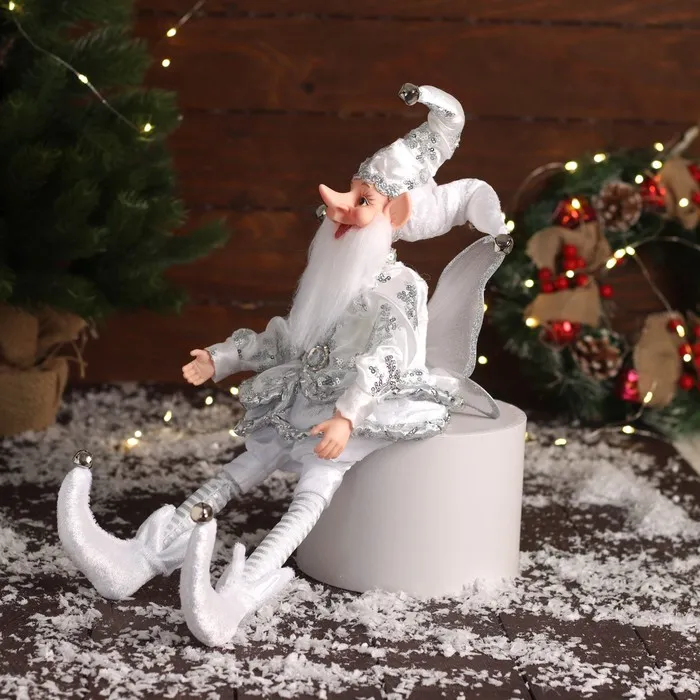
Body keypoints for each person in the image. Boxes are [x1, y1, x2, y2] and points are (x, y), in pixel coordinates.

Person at [57, 83, 513, 646]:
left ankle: (245, 586)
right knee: (247, 464)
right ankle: (144, 557)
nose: (340, 208)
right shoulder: (335, 279)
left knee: (313, 489)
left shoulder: (402, 287)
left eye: (363, 201)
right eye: (350, 193)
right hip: (303, 396)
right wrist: (223, 357)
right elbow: (287, 340)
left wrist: (347, 415)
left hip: (355, 408)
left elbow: (390, 355)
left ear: (394, 213)